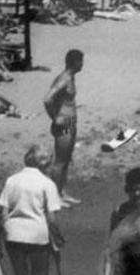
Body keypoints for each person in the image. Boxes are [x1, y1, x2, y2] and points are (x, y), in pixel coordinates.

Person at [0, 144, 64, 275]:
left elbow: (2, 214)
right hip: (37, 236)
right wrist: (58, 238)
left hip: (13, 234)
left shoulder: (12, 181)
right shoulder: (47, 184)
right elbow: (51, 219)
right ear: (45, 164)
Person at [43, 49, 84, 207]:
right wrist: (54, 117)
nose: (82, 65)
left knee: (67, 160)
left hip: (71, 122)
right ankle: (54, 198)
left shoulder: (71, 77)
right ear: (74, 62)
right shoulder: (64, 78)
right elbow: (47, 99)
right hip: (64, 123)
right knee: (60, 162)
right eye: (81, 61)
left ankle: (61, 192)